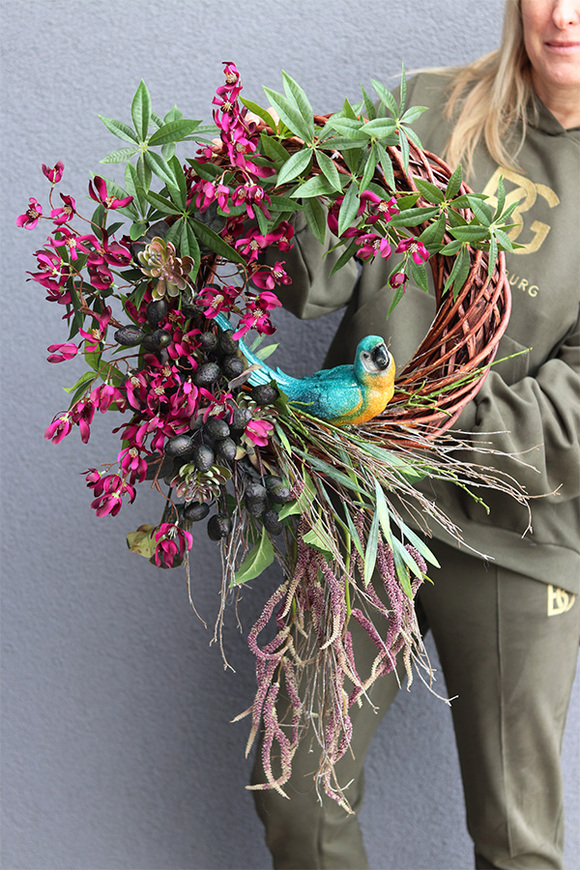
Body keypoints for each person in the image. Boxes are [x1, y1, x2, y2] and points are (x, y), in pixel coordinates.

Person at [250, 1, 580, 868]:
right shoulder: (425, 109)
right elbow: (311, 281)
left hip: (519, 533)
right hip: (366, 503)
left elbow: (574, 417)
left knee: (517, 841)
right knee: (295, 788)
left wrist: (413, 410)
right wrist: (297, 180)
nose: (563, 14)